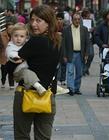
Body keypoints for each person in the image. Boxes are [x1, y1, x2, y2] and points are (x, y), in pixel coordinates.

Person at [13, 5, 62, 139]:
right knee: (43, 137)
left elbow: (13, 63)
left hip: (26, 94)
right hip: (48, 95)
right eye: (32, 20)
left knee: (22, 135)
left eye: (39, 20)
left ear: (48, 22)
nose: (34, 24)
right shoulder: (57, 41)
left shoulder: (36, 41)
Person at [5, 22, 47, 95]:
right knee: (27, 73)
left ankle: (48, 85)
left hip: (26, 67)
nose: (18, 39)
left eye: (22, 36)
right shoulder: (11, 45)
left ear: (26, 38)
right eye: (16, 36)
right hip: (18, 71)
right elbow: (10, 53)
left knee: (36, 72)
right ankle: (38, 87)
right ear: (11, 37)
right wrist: (16, 57)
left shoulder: (26, 44)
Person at [62, 11, 89, 96]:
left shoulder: (84, 29)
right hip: (70, 53)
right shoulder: (66, 29)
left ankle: (77, 88)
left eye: (78, 19)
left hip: (80, 54)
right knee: (70, 72)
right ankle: (71, 89)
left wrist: (86, 54)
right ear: (72, 20)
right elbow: (63, 43)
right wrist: (64, 55)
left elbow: (87, 43)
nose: (77, 21)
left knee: (79, 73)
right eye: (75, 19)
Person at [0, 22, 14, 89]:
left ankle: (11, 84)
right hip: (4, 56)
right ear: (6, 28)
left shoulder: (15, 34)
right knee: (4, 71)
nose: (11, 29)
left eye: (12, 28)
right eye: (10, 28)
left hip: (12, 56)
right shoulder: (1, 35)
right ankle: (3, 81)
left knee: (11, 71)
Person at [81, 8, 95, 76]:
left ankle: (86, 68)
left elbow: (93, 28)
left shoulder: (91, 21)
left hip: (89, 39)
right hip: (82, 39)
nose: (88, 16)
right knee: (83, 55)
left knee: (91, 54)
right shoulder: (80, 20)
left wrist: (92, 29)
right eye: (87, 15)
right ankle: (83, 69)